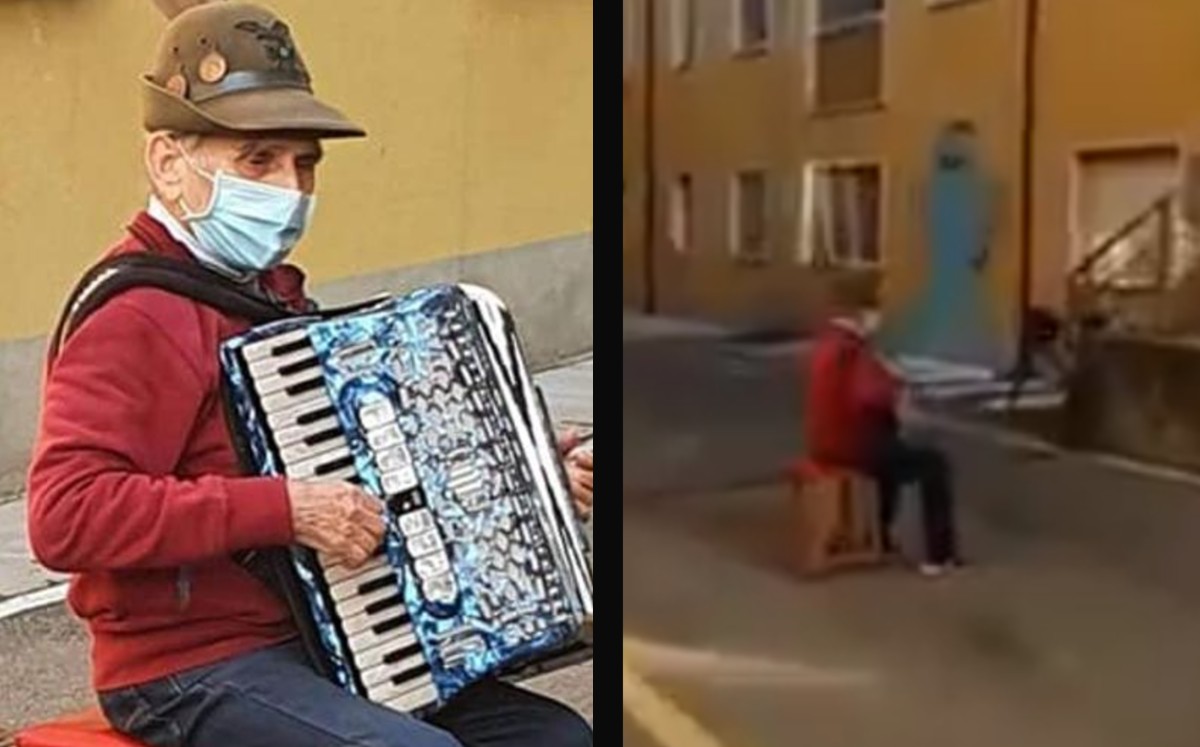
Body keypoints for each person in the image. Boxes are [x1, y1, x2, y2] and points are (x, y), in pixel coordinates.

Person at [25, 3, 593, 746]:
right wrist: (283, 509)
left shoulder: (267, 294)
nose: (288, 188)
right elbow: (65, 512)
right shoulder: (138, 312)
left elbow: (378, 453)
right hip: (188, 664)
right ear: (169, 162)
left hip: (319, 637)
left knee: (550, 735)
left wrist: (538, 468)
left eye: (304, 163)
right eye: (257, 160)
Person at [804, 277, 962, 577]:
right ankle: (939, 556)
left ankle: (882, 535)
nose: (879, 317)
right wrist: (895, 391)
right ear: (861, 311)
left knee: (892, 454)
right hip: (852, 444)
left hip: (826, 441)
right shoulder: (852, 348)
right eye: (876, 307)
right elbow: (865, 395)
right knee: (933, 464)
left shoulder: (827, 342)